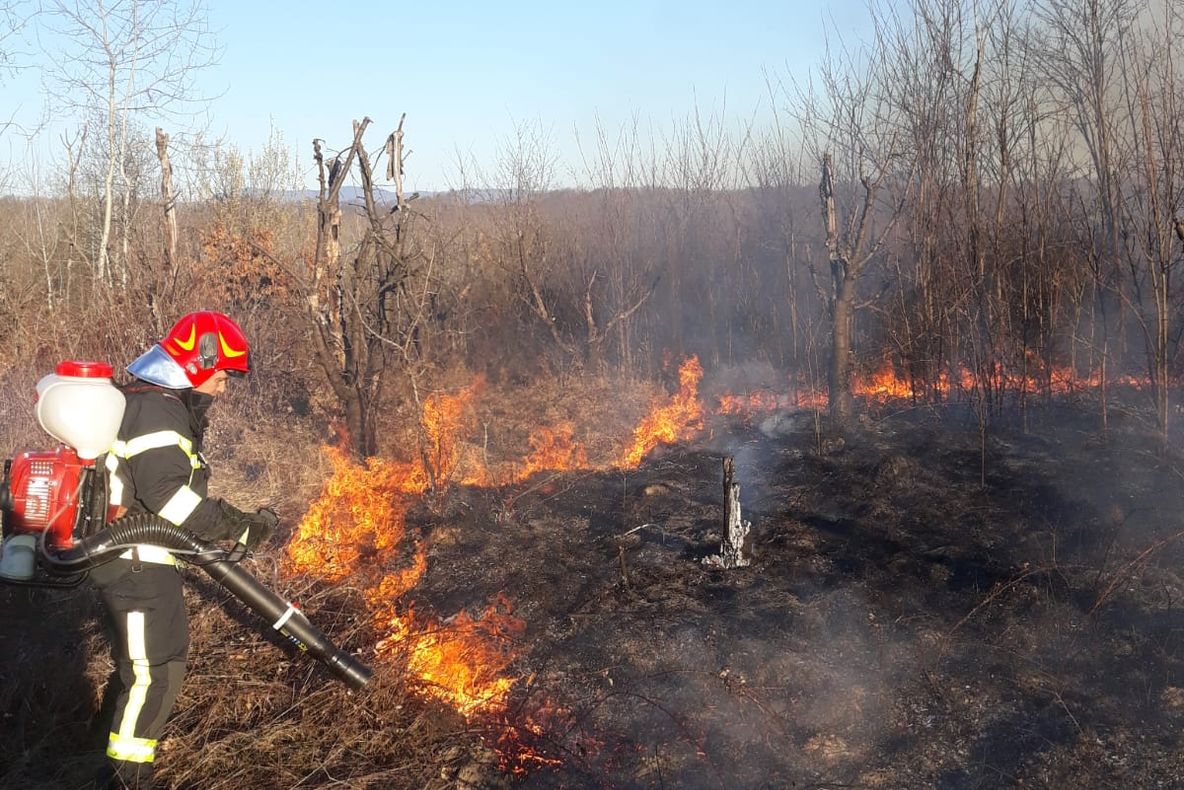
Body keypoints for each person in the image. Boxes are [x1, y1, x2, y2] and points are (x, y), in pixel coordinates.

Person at [92, 311, 278, 789]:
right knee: (154, 674)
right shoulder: (158, 410)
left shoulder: (149, 402)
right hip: (136, 563)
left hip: (139, 560)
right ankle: (127, 780)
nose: (223, 389)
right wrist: (240, 526)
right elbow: (169, 499)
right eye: (222, 377)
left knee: (150, 668)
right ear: (199, 365)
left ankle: (106, 764)